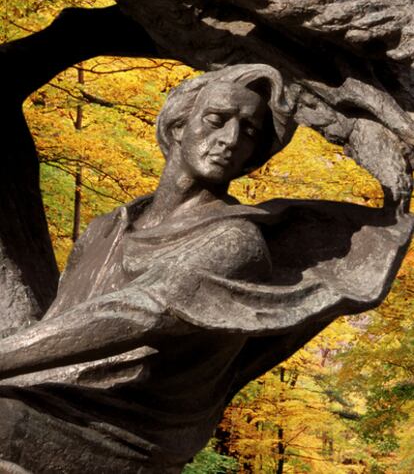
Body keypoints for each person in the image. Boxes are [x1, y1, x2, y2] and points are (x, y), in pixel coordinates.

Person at [0, 64, 412, 474]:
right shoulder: (106, 227)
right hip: (56, 395)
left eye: (249, 132)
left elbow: (139, 311)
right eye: (216, 120)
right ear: (179, 125)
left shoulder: (236, 241)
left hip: (127, 432)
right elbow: (60, 324)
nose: (230, 140)